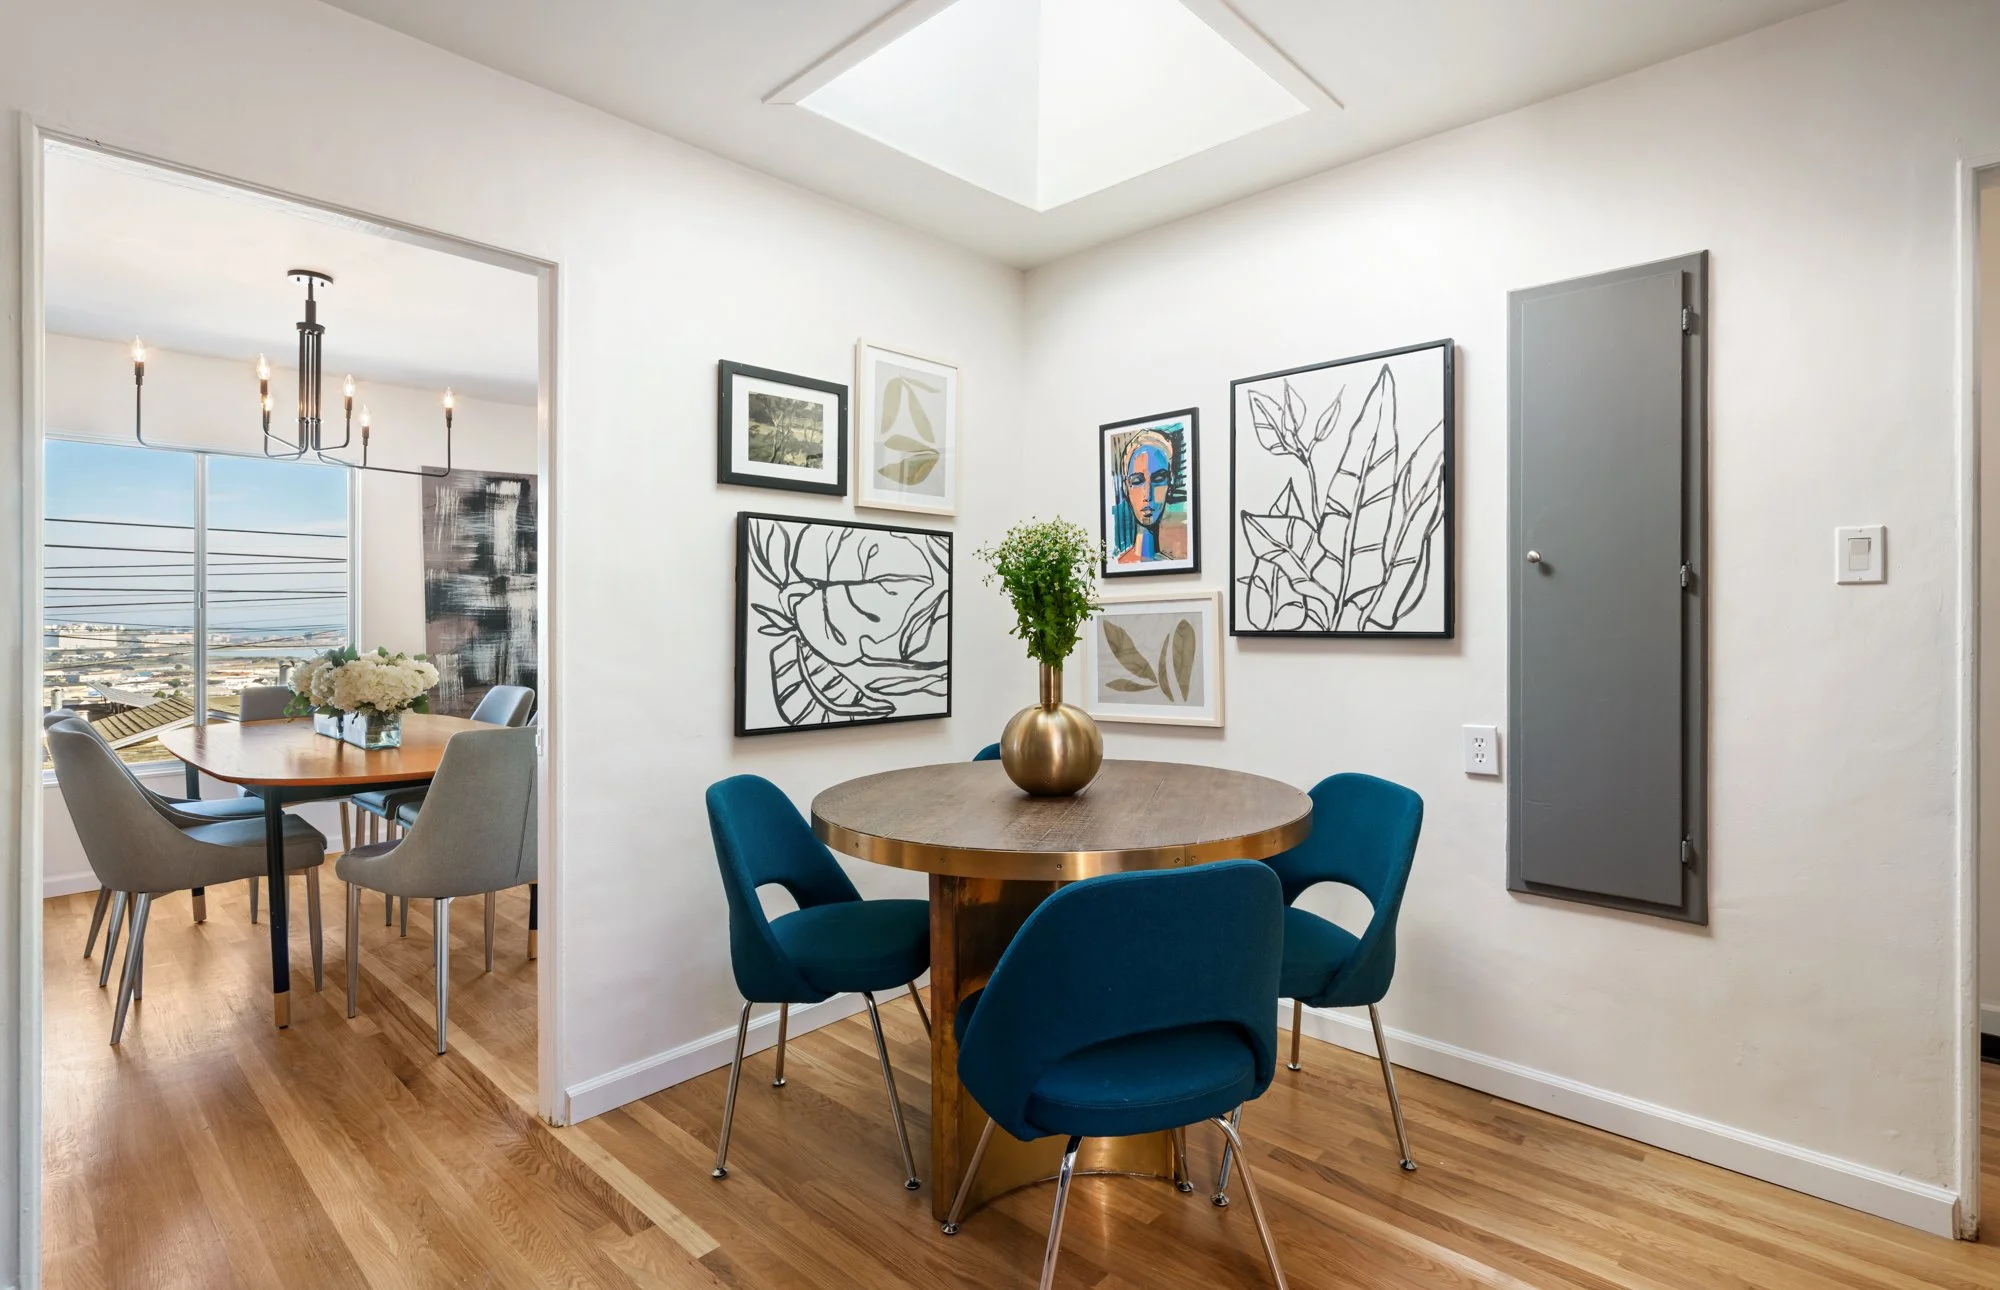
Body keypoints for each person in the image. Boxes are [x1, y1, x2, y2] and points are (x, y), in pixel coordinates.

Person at [1111, 428, 1181, 565]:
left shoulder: (1173, 563)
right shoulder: (1117, 564)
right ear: (1126, 488)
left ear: (1170, 484)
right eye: (1137, 481)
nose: (1147, 494)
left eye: (1158, 479)